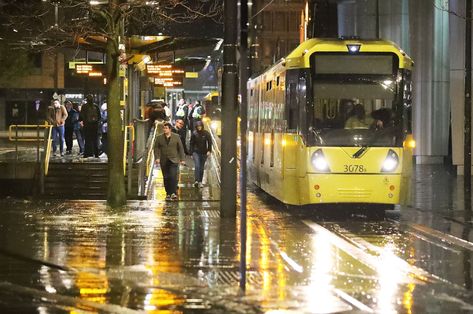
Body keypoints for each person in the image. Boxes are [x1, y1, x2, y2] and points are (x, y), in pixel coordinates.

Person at [154, 122, 186, 200]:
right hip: (164, 160)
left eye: (166, 128)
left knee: (173, 176)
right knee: (166, 177)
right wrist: (157, 158)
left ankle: (173, 193)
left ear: (170, 129)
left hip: (174, 160)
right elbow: (156, 148)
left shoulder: (176, 137)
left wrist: (182, 159)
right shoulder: (159, 138)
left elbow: (180, 148)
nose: (164, 130)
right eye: (164, 128)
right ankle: (168, 193)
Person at [190, 120, 212, 188]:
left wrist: (209, 150)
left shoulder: (206, 133)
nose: (199, 127)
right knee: (197, 166)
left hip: (204, 153)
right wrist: (191, 152)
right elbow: (191, 143)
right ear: (196, 127)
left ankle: (200, 181)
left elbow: (210, 142)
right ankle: (196, 180)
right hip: (196, 152)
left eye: (200, 126)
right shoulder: (194, 133)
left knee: (201, 167)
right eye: (198, 126)